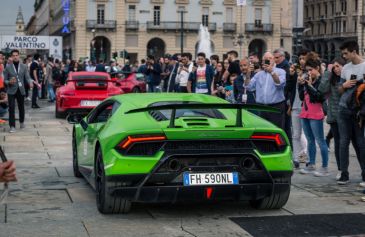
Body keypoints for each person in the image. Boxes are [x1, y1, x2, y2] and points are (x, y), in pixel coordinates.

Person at [336, 41, 365, 186]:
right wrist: (344, 85)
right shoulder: (346, 68)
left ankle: (364, 175)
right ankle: (344, 174)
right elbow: (339, 90)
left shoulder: (364, 66)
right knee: (343, 142)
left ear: (354, 52)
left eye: (346, 53)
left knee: (361, 143)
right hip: (343, 109)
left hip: (358, 111)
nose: (344, 55)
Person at [298, 58, 329, 176]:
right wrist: (300, 85)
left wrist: (310, 85)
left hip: (316, 113)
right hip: (305, 112)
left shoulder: (321, 80)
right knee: (310, 140)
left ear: (317, 68)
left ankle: (325, 167)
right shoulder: (308, 80)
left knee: (320, 140)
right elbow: (302, 97)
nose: (308, 72)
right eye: (307, 70)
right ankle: (311, 164)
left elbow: (318, 97)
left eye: (310, 70)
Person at [244, 52, 286, 130]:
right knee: (262, 131)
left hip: (276, 107)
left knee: (276, 131)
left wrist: (272, 72)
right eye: (264, 60)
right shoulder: (258, 74)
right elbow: (248, 86)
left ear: (273, 60)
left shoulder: (281, 71)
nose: (267, 61)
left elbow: (279, 84)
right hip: (261, 107)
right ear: (262, 62)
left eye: (269, 59)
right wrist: (248, 73)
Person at [3, 49, 32, 133]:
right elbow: (4, 80)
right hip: (11, 90)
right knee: (11, 108)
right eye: (13, 55)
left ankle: (22, 122)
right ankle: (12, 126)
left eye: (16, 55)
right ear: (11, 57)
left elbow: (27, 77)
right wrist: (9, 82)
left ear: (19, 56)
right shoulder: (8, 67)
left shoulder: (24, 66)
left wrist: (30, 82)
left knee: (21, 107)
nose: (15, 57)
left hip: (21, 89)